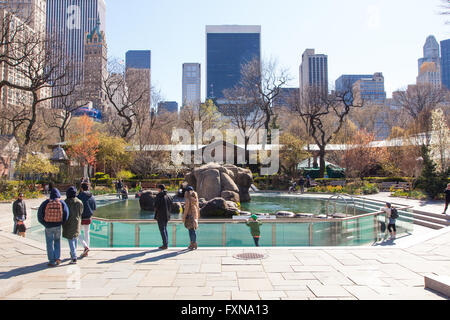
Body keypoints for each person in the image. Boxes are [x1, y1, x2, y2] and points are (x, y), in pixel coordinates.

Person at [37, 188, 69, 267]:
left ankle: (51, 260)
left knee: (49, 243)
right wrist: (61, 223)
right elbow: (66, 214)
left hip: (48, 226)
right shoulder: (61, 202)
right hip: (58, 226)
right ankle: (57, 257)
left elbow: (39, 215)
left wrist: (45, 223)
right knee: (57, 242)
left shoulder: (45, 203)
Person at [63, 187, 84, 264]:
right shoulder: (79, 202)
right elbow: (81, 212)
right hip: (77, 222)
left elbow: (64, 213)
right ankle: (73, 253)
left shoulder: (65, 202)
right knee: (75, 238)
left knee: (70, 239)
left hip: (68, 223)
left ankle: (74, 256)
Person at [77, 182, 97, 258]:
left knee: (77, 233)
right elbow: (94, 207)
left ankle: (85, 246)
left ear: (81, 188)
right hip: (89, 217)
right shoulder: (92, 196)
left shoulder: (80, 196)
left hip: (81, 217)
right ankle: (86, 249)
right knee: (87, 233)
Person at [154, 184, 173, 250]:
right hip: (167, 215)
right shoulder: (169, 196)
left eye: (158, 188)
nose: (157, 190)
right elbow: (171, 206)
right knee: (165, 229)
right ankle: (166, 243)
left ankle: (165, 245)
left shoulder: (159, 196)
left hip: (160, 215)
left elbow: (156, 206)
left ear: (160, 189)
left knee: (162, 230)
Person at [182, 186, 199, 250]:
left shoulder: (188, 199)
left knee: (191, 231)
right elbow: (197, 209)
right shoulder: (195, 198)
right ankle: (192, 243)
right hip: (194, 216)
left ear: (187, 192)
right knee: (193, 230)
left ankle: (193, 243)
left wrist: (183, 217)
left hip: (189, 216)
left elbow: (186, 209)